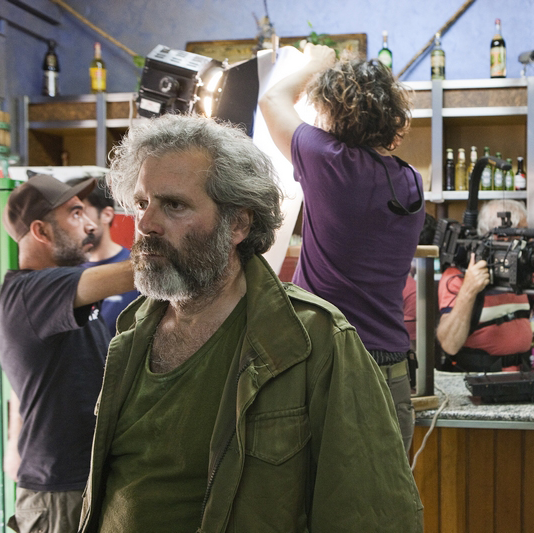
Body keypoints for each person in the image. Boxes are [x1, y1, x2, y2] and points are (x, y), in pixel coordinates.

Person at [78, 114, 423, 533]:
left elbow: (374, 516)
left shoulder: (314, 341)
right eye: (141, 203)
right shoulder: (131, 332)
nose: (146, 224)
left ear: (238, 224)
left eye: (174, 205)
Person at [260, 43, 425, 452]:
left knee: (319, 490)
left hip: (331, 363)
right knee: (388, 492)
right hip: (392, 368)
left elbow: (272, 99)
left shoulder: (326, 160)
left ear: (330, 114)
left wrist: (316, 63)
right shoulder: (410, 182)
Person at [0, 174, 134, 533]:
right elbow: (137, 273)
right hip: (58, 495)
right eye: (75, 213)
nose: (89, 224)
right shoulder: (30, 292)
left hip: (86, 482)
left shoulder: (58, 296)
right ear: (41, 231)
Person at [436, 199, 534, 376]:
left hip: (521, 374)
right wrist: (469, 290)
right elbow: (449, 345)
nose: (528, 242)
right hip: (474, 377)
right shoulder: (456, 277)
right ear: (500, 237)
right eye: (523, 234)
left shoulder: (524, 273)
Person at [69, 176, 140, 337]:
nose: (74, 222)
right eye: (70, 215)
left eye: (79, 212)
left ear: (106, 215)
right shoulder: (64, 272)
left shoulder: (136, 270)